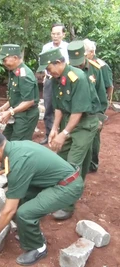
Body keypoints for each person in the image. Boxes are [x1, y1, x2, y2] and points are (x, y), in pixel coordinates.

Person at [0, 127, 83, 266]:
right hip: (56, 180)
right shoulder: (14, 147)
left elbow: (9, 210)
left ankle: (38, 247)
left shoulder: (18, 162)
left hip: (67, 186)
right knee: (17, 198)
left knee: (24, 213)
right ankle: (29, 233)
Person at [37, 47, 99, 220]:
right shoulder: (57, 78)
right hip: (69, 122)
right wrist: (55, 129)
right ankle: (76, 187)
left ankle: (68, 204)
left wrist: (63, 133)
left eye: (48, 68)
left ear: (58, 62)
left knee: (71, 164)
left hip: (84, 124)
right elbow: (59, 106)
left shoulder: (77, 77)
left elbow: (78, 112)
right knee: (64, 159)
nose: (47, 72)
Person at [0, 44, 40, 171]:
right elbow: (16, 96)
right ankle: (5, 169)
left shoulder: (24, 75)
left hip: (26, 115)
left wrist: (10, 112)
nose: (3, 63)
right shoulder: (13, 72)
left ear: (15, 58)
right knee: (6, 140)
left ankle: (16, 171)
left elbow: (29, 101)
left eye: (5, 59)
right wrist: (4, 107)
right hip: (17, 113)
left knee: (18, 144)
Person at [68, 40, 107, 173]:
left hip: (92, 113)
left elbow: (101, 94)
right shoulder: (68, 69)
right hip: (74, 113)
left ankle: (92, 164)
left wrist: (100, 117)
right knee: (75, 143)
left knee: (93, 142)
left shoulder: (95, 69)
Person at [84, 38, 113, 172]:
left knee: (94, 136)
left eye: (84, 52)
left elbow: (108, 86)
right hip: (85, 107)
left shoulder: (100, 66)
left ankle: (92, 164)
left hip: (97, 107)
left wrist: (107, 105)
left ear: (91, 52)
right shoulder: (82, 65)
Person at [39, 23, 69, 145]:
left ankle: (64, 134)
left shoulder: (67, 47)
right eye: (53, 34)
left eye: (58, 34)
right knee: (49, 107)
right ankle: (48, 134)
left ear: (63, 34)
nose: (55, 36)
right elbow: (42, 64)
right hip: (50, 80)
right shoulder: (46, 47)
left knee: (64, 106)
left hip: (65, 81)